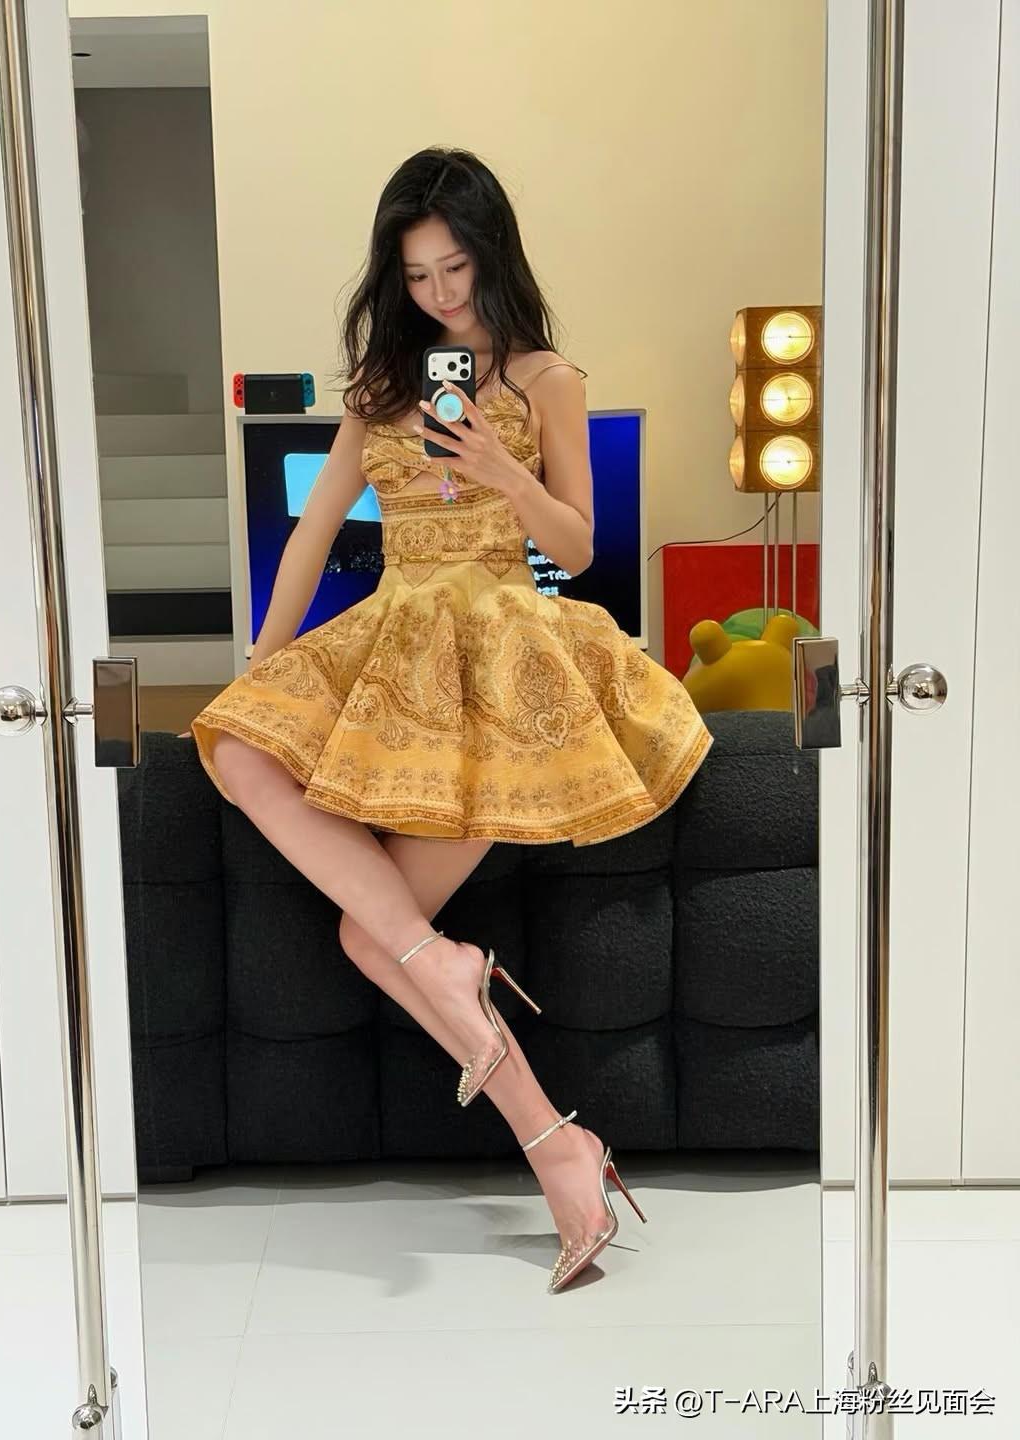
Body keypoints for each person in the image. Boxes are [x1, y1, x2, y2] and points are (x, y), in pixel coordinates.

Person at [187, 147, 714, 1293]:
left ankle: (547, 1131)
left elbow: (579, 545)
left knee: (367, 938)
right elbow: (314, 531)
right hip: (394, 640)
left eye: (456, 268)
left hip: (507, 662)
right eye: (417, 274)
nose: (438, 294)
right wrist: (262, 669)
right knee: (238, 750)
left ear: (492, 254)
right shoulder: (380, 390)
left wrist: (500, 470)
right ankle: (551, 1129)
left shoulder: (548, 378)